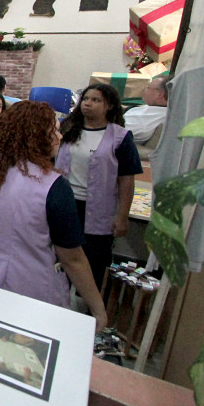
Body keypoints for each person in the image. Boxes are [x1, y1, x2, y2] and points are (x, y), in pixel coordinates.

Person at [0, 101, 107, 329]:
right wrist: (97, 308)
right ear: (36, 136)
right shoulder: (51, 187)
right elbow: (73, 258)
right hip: (21, 283)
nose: (59, 136)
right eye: (54, 130)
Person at [56, 83, 142, 290]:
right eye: (86, 99)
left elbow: (126, 179)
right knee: (60, 258)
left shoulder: (120, 137)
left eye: (96, 100)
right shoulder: (67, 129)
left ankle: (88, 309)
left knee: (92, 262)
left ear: (109, 106)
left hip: (98, 210)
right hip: (65, 203)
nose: (88, 104)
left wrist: (122, 215)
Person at [123, 75, 169, 144]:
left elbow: (112, 131)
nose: (144, 89)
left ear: (159, 94)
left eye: (148, 87)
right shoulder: (156, 108)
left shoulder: (144, 120)